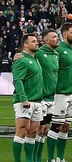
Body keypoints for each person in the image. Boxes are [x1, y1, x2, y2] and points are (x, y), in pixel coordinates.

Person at [12, 34, 43, 162]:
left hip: (37, 101)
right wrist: (24, 98)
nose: (37, 43)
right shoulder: (22, 60)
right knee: (22, 132)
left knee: (33, 133)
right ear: (25, 45)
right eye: (34, 41)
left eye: (37, 41)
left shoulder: (35, 58)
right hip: (25, 102)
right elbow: (17, 80)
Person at [53, 23, 72, 162]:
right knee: (56, 126)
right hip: (60, 93)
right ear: (64, 35)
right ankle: (51, 158)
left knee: (66, 127)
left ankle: (60, 157)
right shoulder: (58, 50)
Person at [35, 29, 60, 162]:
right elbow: (25, 56)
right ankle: (35, 158)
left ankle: (38, 157)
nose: (57, 39)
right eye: (54, 37)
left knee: (45, 129)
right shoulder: (38, 53)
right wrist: (18, 56)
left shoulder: (56, 54)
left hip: (52, 98)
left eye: (57, 36)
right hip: (42, 98)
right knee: (39, 129)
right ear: (46, 41)